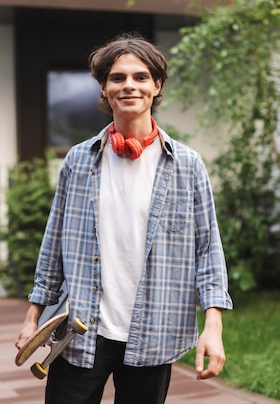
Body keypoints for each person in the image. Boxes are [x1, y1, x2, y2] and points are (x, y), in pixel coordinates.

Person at [15, 32, 233, 404]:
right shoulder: (79, 161)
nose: (129, 85)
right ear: (104, 88)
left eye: (140, 77)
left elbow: (208, 249)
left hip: (153, 332)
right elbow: (53, 244)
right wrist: (33, 314)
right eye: (117, 78)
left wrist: (214, 326)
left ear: (156, 85)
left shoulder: (187, 165)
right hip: (81, 333)